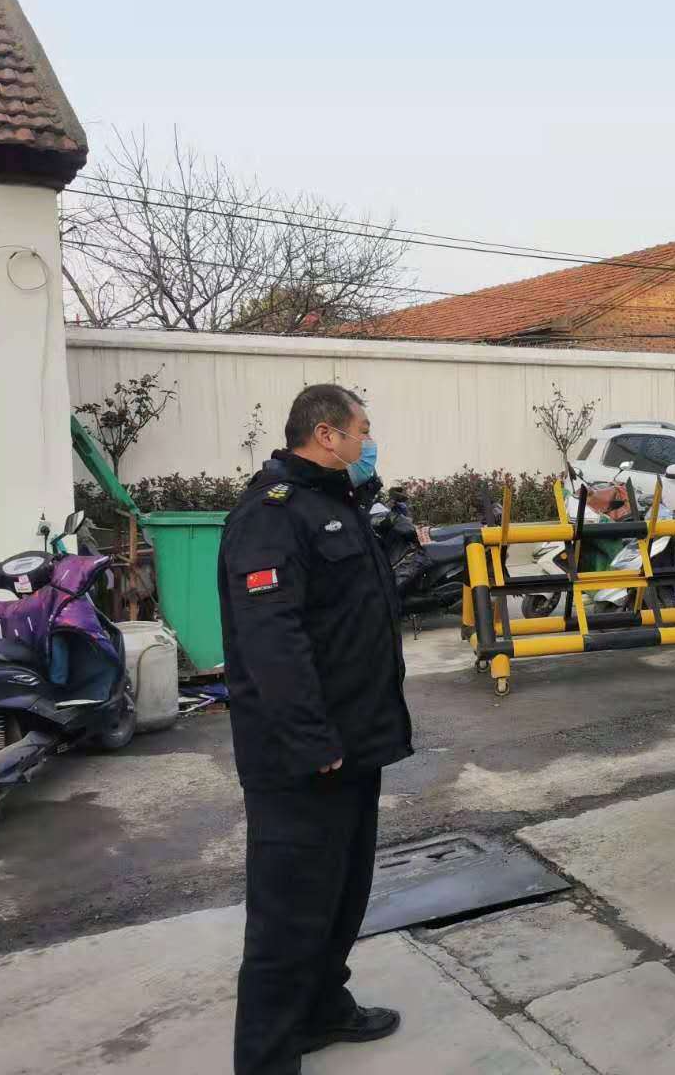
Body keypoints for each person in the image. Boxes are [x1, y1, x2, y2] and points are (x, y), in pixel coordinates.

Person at [219, 384, 412, 1075]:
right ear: (327, 434)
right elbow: (272, 642)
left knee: (341, 897)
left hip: (354, 746)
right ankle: (267, 1059)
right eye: (362, 428)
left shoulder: (338, 505)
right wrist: (310, 741)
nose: (368, 441)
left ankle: (322, 1009)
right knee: (288, 920)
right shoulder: (271, 516)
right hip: (304, 760)